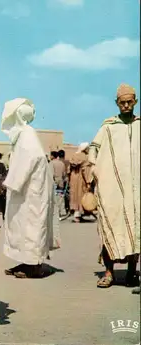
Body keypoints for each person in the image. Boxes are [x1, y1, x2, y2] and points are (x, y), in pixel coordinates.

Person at [0, 98, 60, 279]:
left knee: (32, 227)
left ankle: (34, 267)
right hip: (26, 191)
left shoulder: (27, 134)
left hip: (31, 192)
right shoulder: (24, 134)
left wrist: (11, 183)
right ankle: (27, 263)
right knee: (22, 227)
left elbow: (29, 160)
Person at [89, 83, 140, 289]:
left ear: (135, 102)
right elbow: (94, 147)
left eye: (130, 102)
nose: (126, 106)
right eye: (122, 102)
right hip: (111, 188)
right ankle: (109, 273)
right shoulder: (108, 126)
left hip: (135, 190)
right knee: (109, 225)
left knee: (135, 228)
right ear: (116, 103)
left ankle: (130, 272)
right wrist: (94, 167)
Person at [68, 142, 93, 222]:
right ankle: (78, 215)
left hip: (73, 179)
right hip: (81, 179)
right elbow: (85, 170)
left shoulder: (73, 155)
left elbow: (68, 170)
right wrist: (88, 182)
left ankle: (76, 214)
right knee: (81, 196)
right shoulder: (84, 157)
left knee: (74, 196)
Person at [49, 150, 67, 219]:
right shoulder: (61, 163)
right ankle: (62, 212)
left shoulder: (52, 163)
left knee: (54, 198)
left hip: (54, 183)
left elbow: (51, 174)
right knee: (61, 198)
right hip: (61, 182)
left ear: (53, 156)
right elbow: (64, 174)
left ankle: (55, 213)